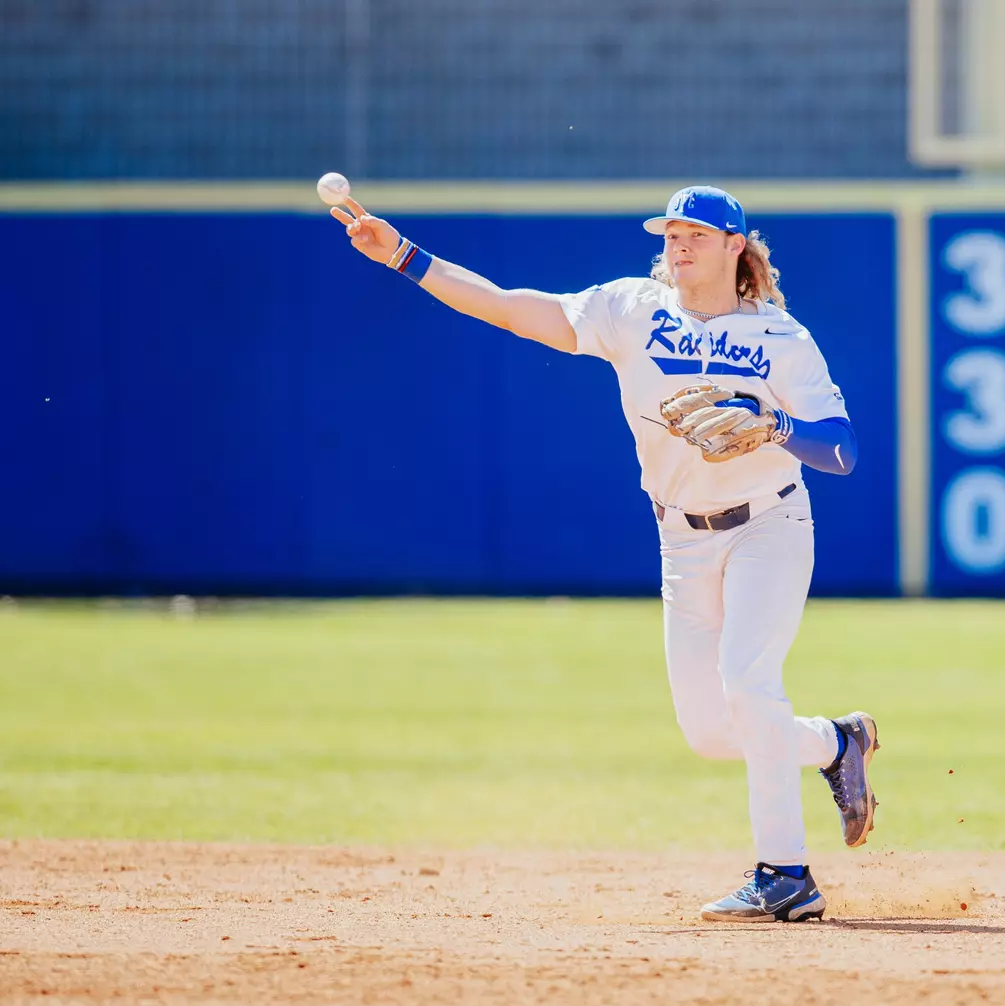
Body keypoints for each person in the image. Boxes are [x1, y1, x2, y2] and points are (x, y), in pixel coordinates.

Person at [331, 185, 878, 923]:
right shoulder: (630, 309)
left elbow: (840, 450)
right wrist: (402, 255)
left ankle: (785, 875)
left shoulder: (782, 339)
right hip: (681, 536)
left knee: (749, 686)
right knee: (713, 733)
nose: (676, 245)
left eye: (694, 234)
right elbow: (508, 306)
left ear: (734, 247)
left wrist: (778, 424)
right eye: (670, 233)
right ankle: (836, 743)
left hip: (769, 529)